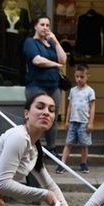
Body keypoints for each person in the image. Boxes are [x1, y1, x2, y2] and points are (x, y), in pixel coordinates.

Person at [22, 15, 67, 150]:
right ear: (35, 26)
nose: (45, 28)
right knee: (35, 119)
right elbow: (37, 60)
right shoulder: (30, 42)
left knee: (51, 118)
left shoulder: (51, 44)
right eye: (42, 25)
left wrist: (56, 41)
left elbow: (63, 59)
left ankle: (51, 149)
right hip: (36, 86)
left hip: (53, 86)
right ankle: (30, 148)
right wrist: (55, 64)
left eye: (48, 25)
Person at [58, 64, 96, 174]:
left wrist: (91, 123)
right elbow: (70, 106)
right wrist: (67, 121)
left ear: (87, 76)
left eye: (82, 77)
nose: (79, 79)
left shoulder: (90, 91)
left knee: (84, 145)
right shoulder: (73, 91)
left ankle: (83, 163)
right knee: (68, 143)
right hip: (73, 122)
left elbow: (92, 107)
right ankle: (62, 163)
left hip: (84, 122)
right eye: (77, 76)